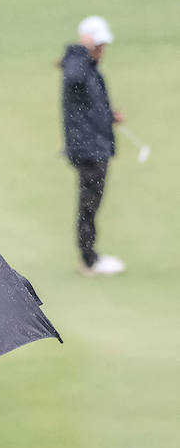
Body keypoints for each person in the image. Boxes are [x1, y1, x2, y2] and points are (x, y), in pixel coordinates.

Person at [60, 16, 125, 276]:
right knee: (88, 206)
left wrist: (110, 116)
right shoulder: (78, 64)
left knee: (91, 204)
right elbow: (72, 75)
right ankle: (89, 260)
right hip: (88, 150)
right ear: (87, 42)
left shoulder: (90, 68)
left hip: (95, 146)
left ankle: (90, 257)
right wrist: (82, 47)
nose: (102, 50)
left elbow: (90, 107)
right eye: (97, 44)